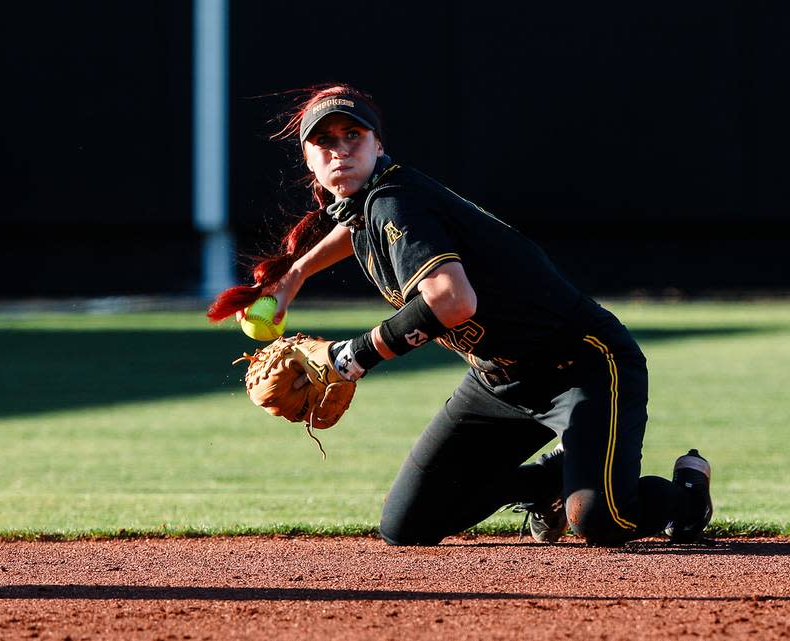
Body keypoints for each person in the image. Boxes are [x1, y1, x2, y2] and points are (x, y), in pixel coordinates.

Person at [207, 84, 713, 546]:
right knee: (408, 525)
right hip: (498, 384)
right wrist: (295, 274)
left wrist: (350, 358)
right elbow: (358, 227)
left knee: (602, 523)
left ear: (379, 146)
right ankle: (552, 481)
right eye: (325, 142)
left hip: (582, 367)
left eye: (352, 135)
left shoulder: (395, 204)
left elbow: (453, 302)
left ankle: (688, 492)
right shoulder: (371, 204)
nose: (340, 148)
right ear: (309, 161)